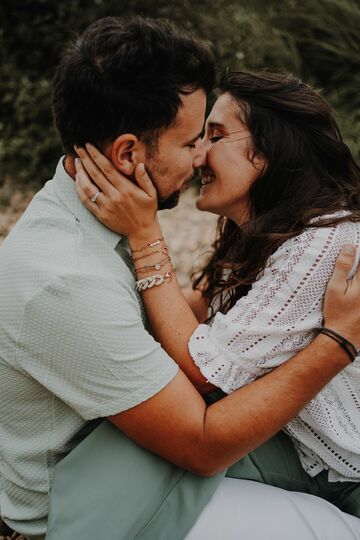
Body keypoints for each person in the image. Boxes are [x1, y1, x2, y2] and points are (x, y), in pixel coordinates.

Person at [0, 16, 359, 540]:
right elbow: (204, 436)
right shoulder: (67, 276)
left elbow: (187, 316)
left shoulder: (88, 215)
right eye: (193, 140)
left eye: (212, 137)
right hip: (100, 502)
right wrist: (338, 342)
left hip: (141, 463)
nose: (199, 158)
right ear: (128, 154)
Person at [74, 69, 360, 519]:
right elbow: (201, 308)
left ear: (267, 151)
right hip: (294, 439)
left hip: (338, 468)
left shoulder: (323, 247)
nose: (198, 156)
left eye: (215, 135)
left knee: (148, 445)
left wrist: (145, 235)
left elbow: (206, 369)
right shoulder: (269, 230)